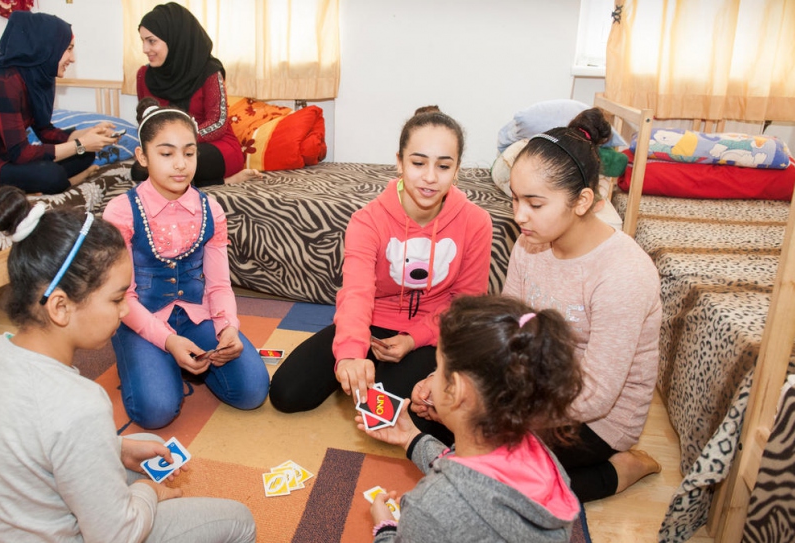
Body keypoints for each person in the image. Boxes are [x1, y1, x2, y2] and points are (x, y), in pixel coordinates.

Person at [0, 186, 256, 542]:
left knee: (136, 442)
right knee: (239, 521)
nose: (126, 310)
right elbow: (117, 536)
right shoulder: (81, 405)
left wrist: (118, 449)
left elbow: (38, 442)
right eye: (116, 299)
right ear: (60, 307)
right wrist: (149, 496)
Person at [412, 108, 664, 503]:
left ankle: (618, 470)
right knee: (430, 415)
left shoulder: (623, 275)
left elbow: (596, 395)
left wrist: (493, 409)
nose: (518, 216)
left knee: (497, 478)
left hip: (596, 418)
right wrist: (449, 382)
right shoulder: (529, 244)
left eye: (534, 203)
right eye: (514, 199)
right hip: (534, 388)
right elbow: (509, 332)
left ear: (582, 201)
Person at [269, 106, 493, 440]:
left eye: (443, 166)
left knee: (382, 413)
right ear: (400, 162)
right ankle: (368, 371)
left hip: (433, 332)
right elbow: (356, 293)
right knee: (286, 394)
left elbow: (465, 306)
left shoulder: (476, 222)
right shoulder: (367, 220)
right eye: (418, 163)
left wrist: (413, 338)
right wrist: (349, 355)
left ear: (457, 170)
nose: (430, 177)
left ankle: (387, 377)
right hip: (373, 319)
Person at [102, 98, 270, 430]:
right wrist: (167, 341)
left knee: (253, 392)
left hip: (196, 315)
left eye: (189, 153)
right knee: (157, 412)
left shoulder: (212, 209)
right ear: (142, 157)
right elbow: (122, 296)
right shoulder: (121, 212)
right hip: (141, 317)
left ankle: (180, 360)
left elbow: (219, 284)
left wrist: (229, 329)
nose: (180, 164)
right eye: (167, 154)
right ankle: (157, 359)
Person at [359, 295, 583, 542]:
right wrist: (411, 437)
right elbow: (471, 472)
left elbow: (451, 498)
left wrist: (385, 528)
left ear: (455, 389)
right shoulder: (542, 458)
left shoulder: (430, 507)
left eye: (438, 367)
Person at [0, 11, 119, 194]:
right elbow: (21, 153)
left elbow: (45, 131)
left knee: (85, 155)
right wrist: (81, 143)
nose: (72, 58)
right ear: (47, 46)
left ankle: (42, 184)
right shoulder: (1, 81)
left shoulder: (36, 77)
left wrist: (88, 134)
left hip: (8, 159)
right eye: (68, 49)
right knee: (52, 175)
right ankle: (62, 182)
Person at [134, 2, 259, 186]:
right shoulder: (144, 76)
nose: (145, 49)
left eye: (151, 41)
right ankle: (218, 182)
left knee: (180, 164)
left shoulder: (209, 71)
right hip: (169, 148)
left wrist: (180, 140)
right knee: (138, 170)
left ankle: (223, 180)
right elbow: (147, 122)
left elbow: (218, 123)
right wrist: (166, 146)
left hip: (213, 145)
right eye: (143, 41)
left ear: (174, 38)